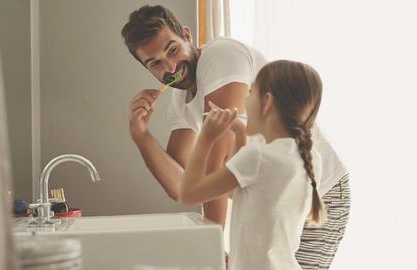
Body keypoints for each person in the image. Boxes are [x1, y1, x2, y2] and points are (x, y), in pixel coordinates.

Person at [122, 5, 350, 269]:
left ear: (187, 35)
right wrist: (140, 135)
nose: (171, 67)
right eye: (156, 63)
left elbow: (217, 162)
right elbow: (182, 187)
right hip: (271, 199)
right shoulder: (180, 101)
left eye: (172, 50)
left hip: (319, 191)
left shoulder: (221, 56)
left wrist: (214, 248)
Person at [179, 60, 324, 269]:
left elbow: (188, 193)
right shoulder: (309, 157)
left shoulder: (258, 157)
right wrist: (239, 133)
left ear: (266, 101)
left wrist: (206, 138)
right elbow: (242, 190)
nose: (245, 100)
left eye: (250, 91)